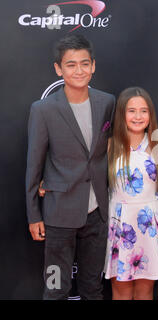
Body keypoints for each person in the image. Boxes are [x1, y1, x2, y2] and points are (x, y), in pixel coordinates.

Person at [25, 34, 115, 300]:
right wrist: (33, 215)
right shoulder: (43, 110)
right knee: (55, 288)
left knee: (93, 288)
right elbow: (34, 164)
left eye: (84, 64)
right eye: (71, 64)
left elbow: (106, 153)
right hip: (57, 216)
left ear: (93, 66)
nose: (79, 70)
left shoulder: (107, 102)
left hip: (97, 214)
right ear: (58, 69)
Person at [103, 87, 158, 300]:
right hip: (119, 223)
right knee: (121, 291)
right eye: (132, 111)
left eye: (144, 111)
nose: (138, 116)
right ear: (122, 114)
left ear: (150, 115)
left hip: (149, 224)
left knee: (145, 292)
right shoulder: (109, 146)